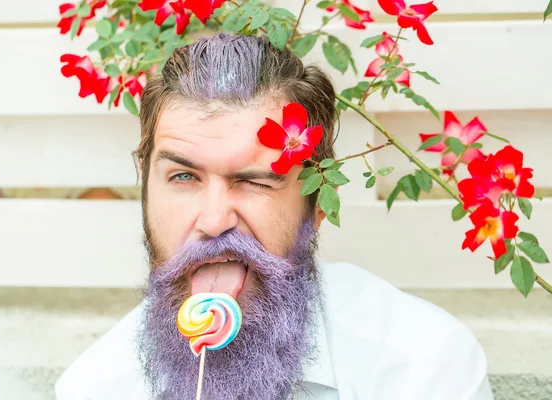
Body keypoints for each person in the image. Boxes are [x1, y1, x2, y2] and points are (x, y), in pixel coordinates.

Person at [54, 32, 494, 400]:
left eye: (256, 181)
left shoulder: (421, 367)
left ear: (317, 204)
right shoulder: (95, 387)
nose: (213, 219)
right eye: (184, 177)